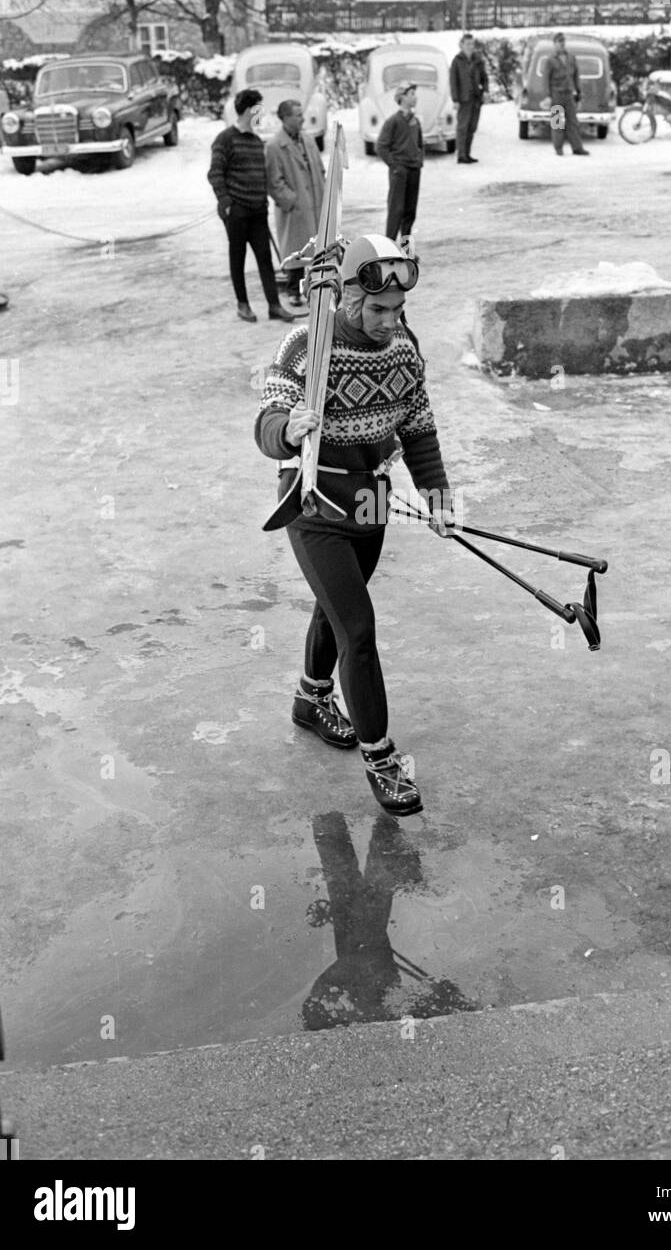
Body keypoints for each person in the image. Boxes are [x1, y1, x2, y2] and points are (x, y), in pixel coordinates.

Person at [254, 234, 456, 818]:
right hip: (313, 504)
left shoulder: (402, 348)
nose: (390, 322)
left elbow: (418, 426)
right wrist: (288, 430)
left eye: (398, 310)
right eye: (377, 310)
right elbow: (267, 420)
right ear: (344, 298)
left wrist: (438, 497)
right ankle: (382, 758)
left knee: (335, 609)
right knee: (359, 629)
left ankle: (310, 700)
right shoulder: (306, 345)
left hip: (370, 504)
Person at [207, 87, 293, 323]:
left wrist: (264, 202)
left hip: (257, 211)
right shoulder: (225, 139)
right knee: (238, 256)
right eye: (257, 109)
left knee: (265, 258)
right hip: (236, 211)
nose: (261, 114)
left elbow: (261, 176)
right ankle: (243, 305)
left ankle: (274, 306)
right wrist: (225, 202)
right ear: (246, 110)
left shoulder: (256, 141)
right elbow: (215, 173)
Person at [265, 98, 326, 308]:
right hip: (295, 206)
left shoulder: (308, 140)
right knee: (295, 249)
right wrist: (290, 200)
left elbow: (319, 167)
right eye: (298, 115)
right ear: (286, 118)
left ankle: (318, 287)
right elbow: (274, 182)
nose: (303, 118)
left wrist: (324, 188)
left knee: (318, 248)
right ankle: (293, 290)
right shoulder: (274, 146)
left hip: (315, 202)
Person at [375, 82, 424, 245]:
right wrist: (394, 165)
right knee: (397, 209)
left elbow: (419, 143)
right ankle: (388, 245)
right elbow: (381, 146)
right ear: (402, 98)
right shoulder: (393, 121)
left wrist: (418, 160)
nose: (414, 97)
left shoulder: (415, 121)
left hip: (414, 169)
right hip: (400, 170)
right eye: (411, 94)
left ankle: (405, 246)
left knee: (410, 210)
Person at [544, 31, 589, 157]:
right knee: (557, 122)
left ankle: (577, 147)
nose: (562, 44)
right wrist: (548, 95)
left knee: (573, 122)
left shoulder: (571, 58)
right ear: (554, 44)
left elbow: (576, 76)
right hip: (556, 94)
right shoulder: (550, 60)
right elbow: (546, 79)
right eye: (559, 42)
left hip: (569, 94)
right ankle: (558, 148)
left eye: (563, 42)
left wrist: (579, 92)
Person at [449, 32, 488, 163]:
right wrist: (455, 99)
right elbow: (453, 82)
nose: (470, 46)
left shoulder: (478, 60)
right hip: (463, 98)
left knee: (472, 127)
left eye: (472, 44)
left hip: (476, 98)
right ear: (461, 45)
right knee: (462, 127)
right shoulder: (457, 61)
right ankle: (461, 155)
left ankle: (468, 153)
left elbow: (484, 78)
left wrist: (486, 90)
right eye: (467, 44)